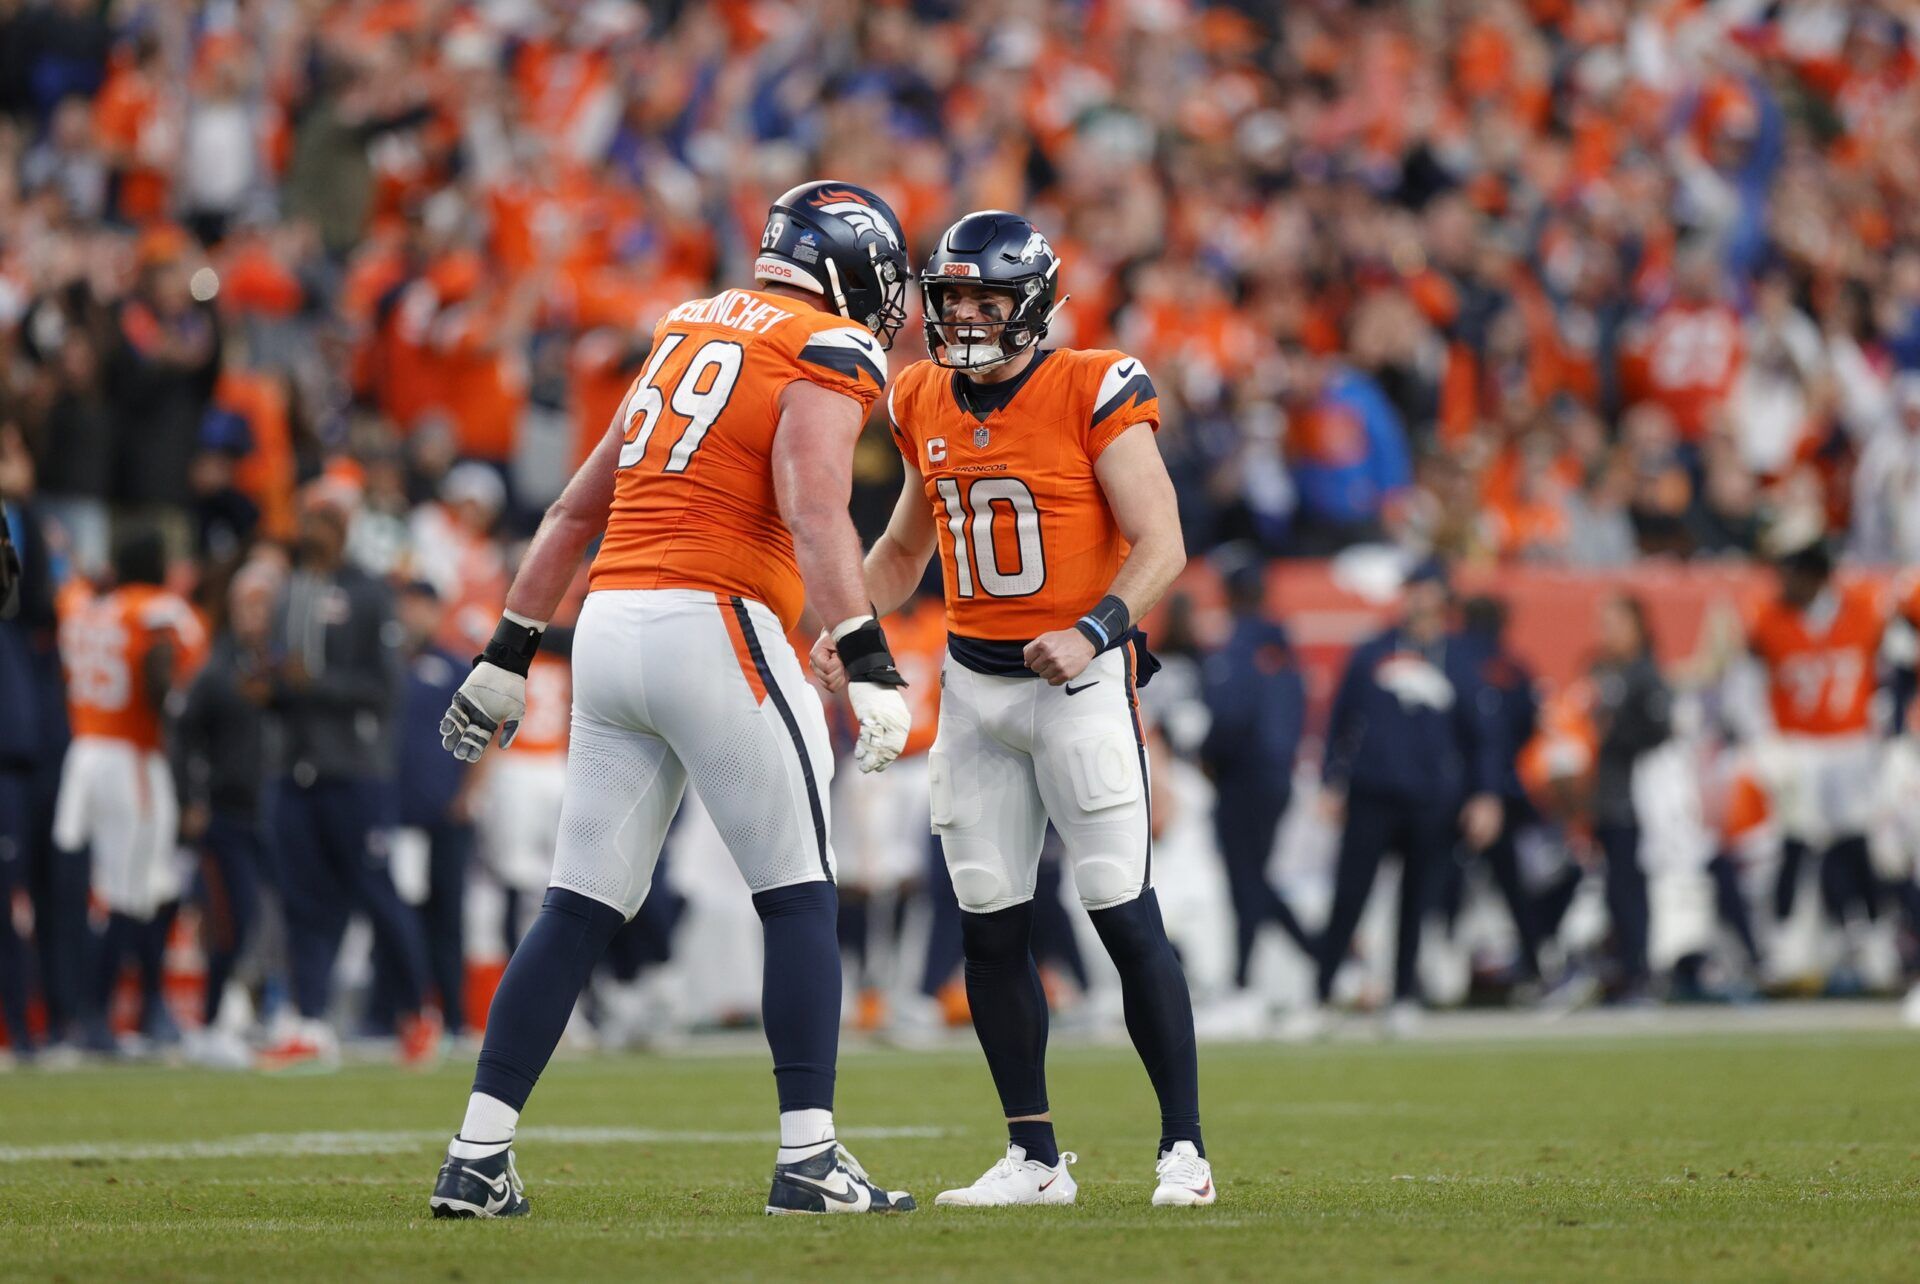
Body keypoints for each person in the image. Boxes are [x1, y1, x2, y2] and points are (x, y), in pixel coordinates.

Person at [428, 181, 918, 1219]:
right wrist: (867, 653)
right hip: (719, 622)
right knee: (798, 890)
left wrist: (509, 649)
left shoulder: (688, 323)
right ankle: (810, 1158)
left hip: (607, 627)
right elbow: (817, 509)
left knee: (576, 905)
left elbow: (574, 504)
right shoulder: (827, 345)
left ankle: (475, 1156)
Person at [818, 210, 1210, 1208]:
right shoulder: (919, 397)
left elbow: (1161, 542)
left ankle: (1184, 1151)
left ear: (1031, 304)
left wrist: (1096, 627)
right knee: (990, 923)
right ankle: (1034, 1159)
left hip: (1077, 688)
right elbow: (908, 550)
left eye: (985, 298)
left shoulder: (1093, 384)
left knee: (1122, 910)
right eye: (951, 300)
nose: (966, 317)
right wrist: (852, 625)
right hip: (977, 689)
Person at [258, 486, 440, 1069]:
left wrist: (314, 685)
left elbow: (385, 688)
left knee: (377, 895)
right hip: (296, 766)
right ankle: (310, 1020)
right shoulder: (290, 589)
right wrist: (273, 689)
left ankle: (416, 1013)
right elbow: (286, 675)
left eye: (328, 518)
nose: (316, 528)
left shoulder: (368, 593)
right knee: (304, 902)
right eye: (310, 515)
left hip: (354, 768)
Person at [1309, 559, 1502, 1035]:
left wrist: (1485, 795)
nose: (1419, 599)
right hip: (1373, 791)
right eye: (1412, 589)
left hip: (1432, 800)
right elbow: (1340, 722)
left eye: (1427, 589)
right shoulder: (1373, 651)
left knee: (1418, 900)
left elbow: (1482, 736)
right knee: (1350, 895)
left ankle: (1404, 995)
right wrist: (1332, 780)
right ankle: (1322, 990)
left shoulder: (1460, 659)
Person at [52, 528, 206, 1052]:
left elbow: (75, 592)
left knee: (139, 886)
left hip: (84, 750)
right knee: (128, 892)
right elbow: (165, 670)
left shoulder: (82, 602)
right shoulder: (155, 609)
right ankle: (97, 1016)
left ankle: (138, 1007)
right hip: (131, 755)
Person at [173, 558, 280, 1067]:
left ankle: (273, 1014)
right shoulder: (217, 671)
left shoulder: (285, 668)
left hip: (278, 811)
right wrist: (189, 799)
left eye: (261, 604)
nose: (254, 614)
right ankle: (212, 1021)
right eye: (246, 604)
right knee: (230, 921)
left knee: (281, 919)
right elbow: (180, 735)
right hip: (230, 815)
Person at [1198, 553, 1311, 995]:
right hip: (1279, 774)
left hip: (1241, 777)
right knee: (1255, 879)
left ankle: (1312, 957)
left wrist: (1208, 756)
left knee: (1246, 882)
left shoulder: (1235, 646)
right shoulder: (1283, 646)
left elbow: (1228, 716)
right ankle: (1251, 974)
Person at [1589, 593, 1672, 1002]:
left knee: (1630, 888)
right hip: (1604, 797)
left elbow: (1658, 731)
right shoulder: (1602, 671)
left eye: (1616, 623)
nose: (1607, 633)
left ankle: (1639, 971)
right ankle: (1622, 967)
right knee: (1612, 890)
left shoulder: (1644, 674)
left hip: (1635, 798)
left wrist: (1613, 735)